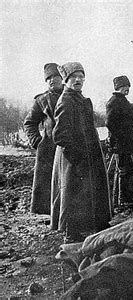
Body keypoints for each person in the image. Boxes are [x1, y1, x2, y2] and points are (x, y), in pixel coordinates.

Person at [51, 62, 111, 242]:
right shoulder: (66, 100)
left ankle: (97, 223)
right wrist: (76, 157)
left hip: (87, 153)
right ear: (66, 80)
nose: (78, 80)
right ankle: (71, 232)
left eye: (81, 76)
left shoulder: (78, 98)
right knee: (73, 192)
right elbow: (60, 135)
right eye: (73, 77)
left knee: (89, 188)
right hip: (72, 157)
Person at [23, 63, 63, 214]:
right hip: (49, 148)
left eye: (55, 77)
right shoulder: (42, 100)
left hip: (69, 146)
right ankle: (50, 213)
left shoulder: (70, 96)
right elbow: (29, 123)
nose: (52, 80)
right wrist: (37, 141)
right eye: (49, 78)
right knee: (49, 183)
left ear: (62, 78)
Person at [105, 75, 133, 203]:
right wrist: (120, 136)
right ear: (118, 88)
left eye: (128, 87)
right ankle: (120, 198)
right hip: (119, 142)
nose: (127, 89)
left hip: (125, 141)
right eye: (124, 87)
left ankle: (123, 196)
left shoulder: (123, 100)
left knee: (127, 168)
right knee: (122, 169)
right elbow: (109, 123)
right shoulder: (114, 101)